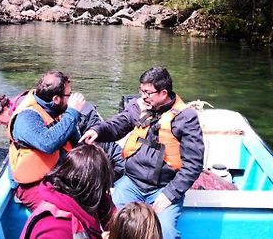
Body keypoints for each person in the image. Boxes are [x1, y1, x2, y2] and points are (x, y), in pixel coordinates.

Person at [81, 67, 204, 239]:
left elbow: (194, 164)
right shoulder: (139, 107)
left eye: (147, 92)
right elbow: (118, 124)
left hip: (164, 188)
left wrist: (170, 194)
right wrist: (97, 130)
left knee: (166, 232)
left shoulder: (186, 118)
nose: (143, 96)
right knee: (107, 221)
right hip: (132, 182)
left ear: (163, 93)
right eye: (141, 91)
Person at [0, 92, 125, 182]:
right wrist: (0, 174)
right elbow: (18, 149)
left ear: (6, 109)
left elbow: (47, 141)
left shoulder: (24, 115)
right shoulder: (20, 110)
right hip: (74, 120)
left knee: (108, 156)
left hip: (83, 120)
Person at [8, 70, 86, 210]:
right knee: (61, 214)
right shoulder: (27, 117)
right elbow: (47, 143)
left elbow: (76, 142)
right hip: (33, 184)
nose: (71, 98)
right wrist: (72, 112)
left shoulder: (56, 109)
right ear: (56, 99)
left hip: (57, 174)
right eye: (69, 95)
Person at [21, 144, 116, 239]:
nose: (105, 195)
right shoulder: (55, 229)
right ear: (93, 192)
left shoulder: (88, 198)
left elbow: (109, 211)